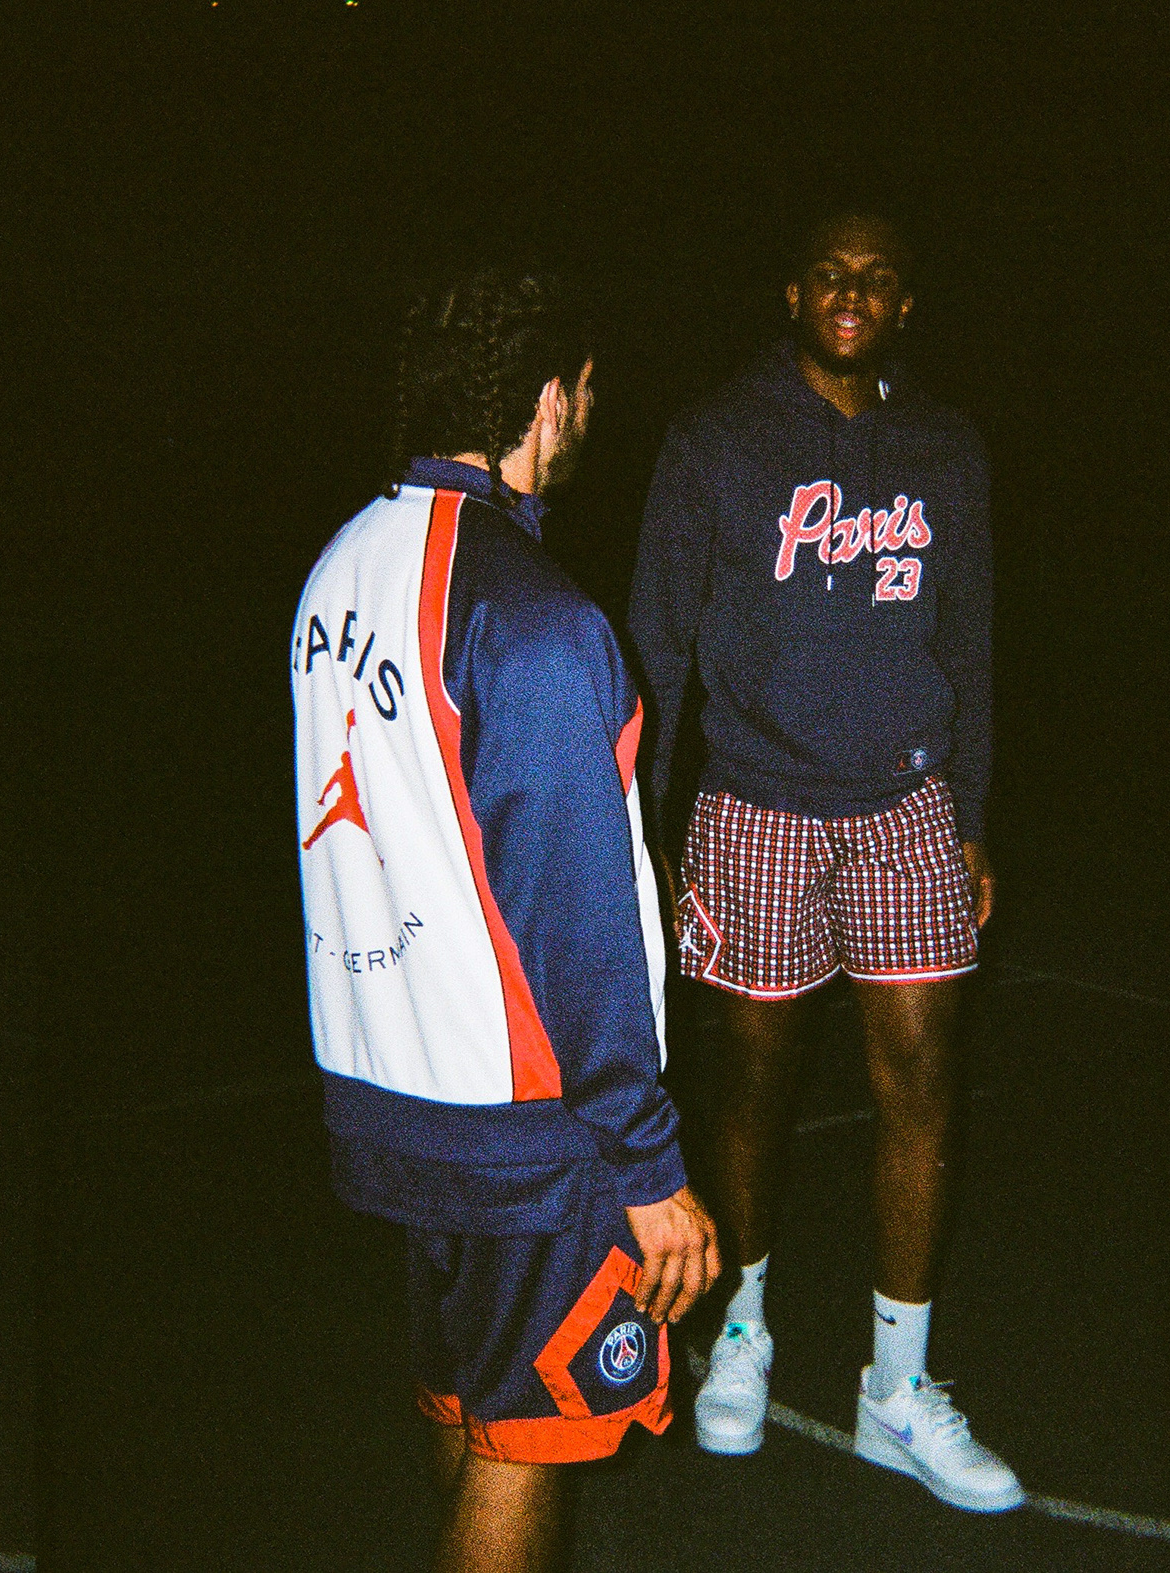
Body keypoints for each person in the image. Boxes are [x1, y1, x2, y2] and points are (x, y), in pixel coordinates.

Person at [294, 260, 720, 1573]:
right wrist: (649, 1167)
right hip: (523, 1126)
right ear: (549, 399)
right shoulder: (536, 621)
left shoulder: (339, 566)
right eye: (586, 390)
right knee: (530, 1441)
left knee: (471, 1404)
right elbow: (571, 912)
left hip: (387, 1089)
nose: (591, 413)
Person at [625, 209, 1015, 1512]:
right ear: (791, 291)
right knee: (753, 1087)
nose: (853, 291)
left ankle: (896, 1387)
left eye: (879, 277)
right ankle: (742, 1329)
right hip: (755, 803)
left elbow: (971, 645)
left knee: (923, 1085)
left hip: (908, 804)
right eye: (831, 272)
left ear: (906, 304)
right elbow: (656, 643)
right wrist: (644, 832)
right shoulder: (716, 437)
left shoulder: (945, 448)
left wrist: (969, 814)